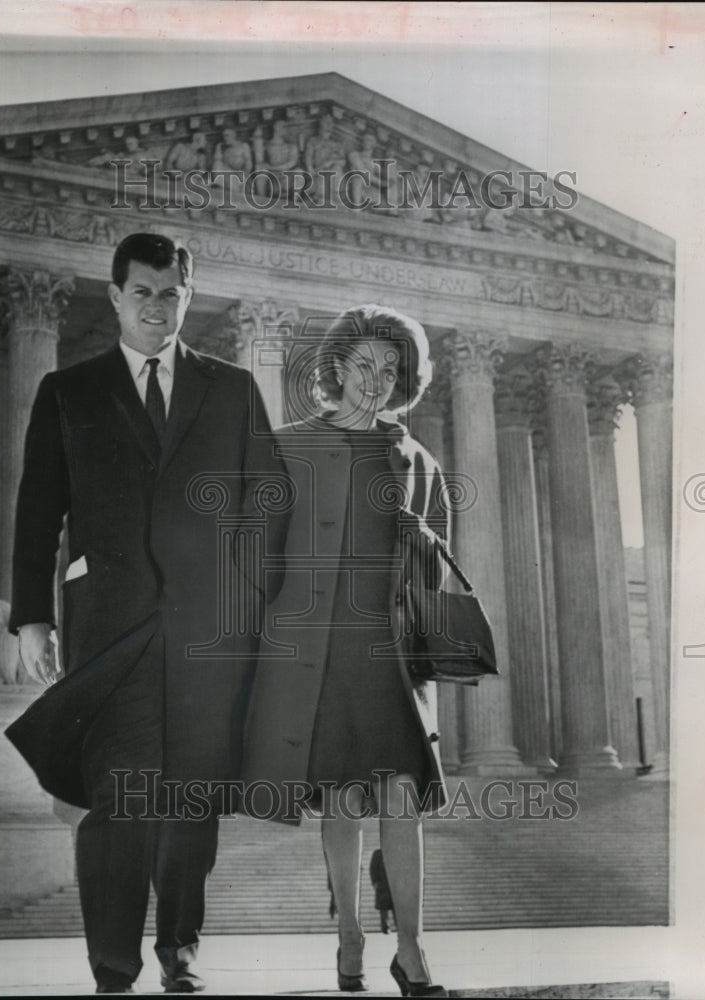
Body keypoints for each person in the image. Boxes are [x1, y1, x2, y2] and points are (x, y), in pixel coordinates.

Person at [7, 232, 286, 995]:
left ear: (187, 296)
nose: (156, 308)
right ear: (116, 296)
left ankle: (180, 950)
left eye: (170, 293)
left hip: (208, 633)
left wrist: (250, 604)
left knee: (192, 797)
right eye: (142, 293)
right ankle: (112, 965)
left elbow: (267, 503)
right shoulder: (69, 391)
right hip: (110, 627)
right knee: (118, 796)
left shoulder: (230, 390)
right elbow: (39, 510)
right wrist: (32, 615)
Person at [241, 304, 451, 997]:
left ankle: (412, 950)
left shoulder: (417, 458)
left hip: (392, 655)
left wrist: (422, 547)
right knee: (342, 800)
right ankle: (350, 937)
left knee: (400, 798)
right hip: (317, 650)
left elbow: (441, 570)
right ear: (335, 369)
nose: (377, 380)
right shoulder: (288, 446)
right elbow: (258, 555)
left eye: (391, 370)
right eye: (364, 365)